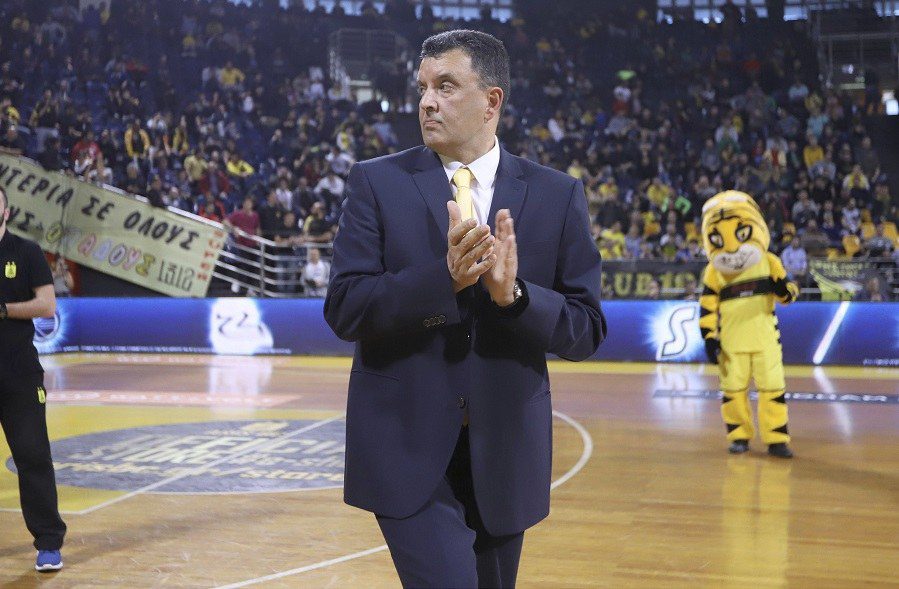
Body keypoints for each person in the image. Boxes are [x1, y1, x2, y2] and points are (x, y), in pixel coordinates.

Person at [324, 30, 606, 587]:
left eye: (446, 86)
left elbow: (586, 329)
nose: (427, 102)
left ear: (491, 101)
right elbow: (346, 308)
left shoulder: (557, 194)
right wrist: (444, 281)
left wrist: (514, 298)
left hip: (505, 453)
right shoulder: (375, 182)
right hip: (404, 448)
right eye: (423, 87)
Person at [0, 187, 67, 571]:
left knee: (33, 457)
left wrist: (4, 310)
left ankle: (48, 542)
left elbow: (47, 304)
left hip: (18, 374)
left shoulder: (25, 252)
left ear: (6, 211)